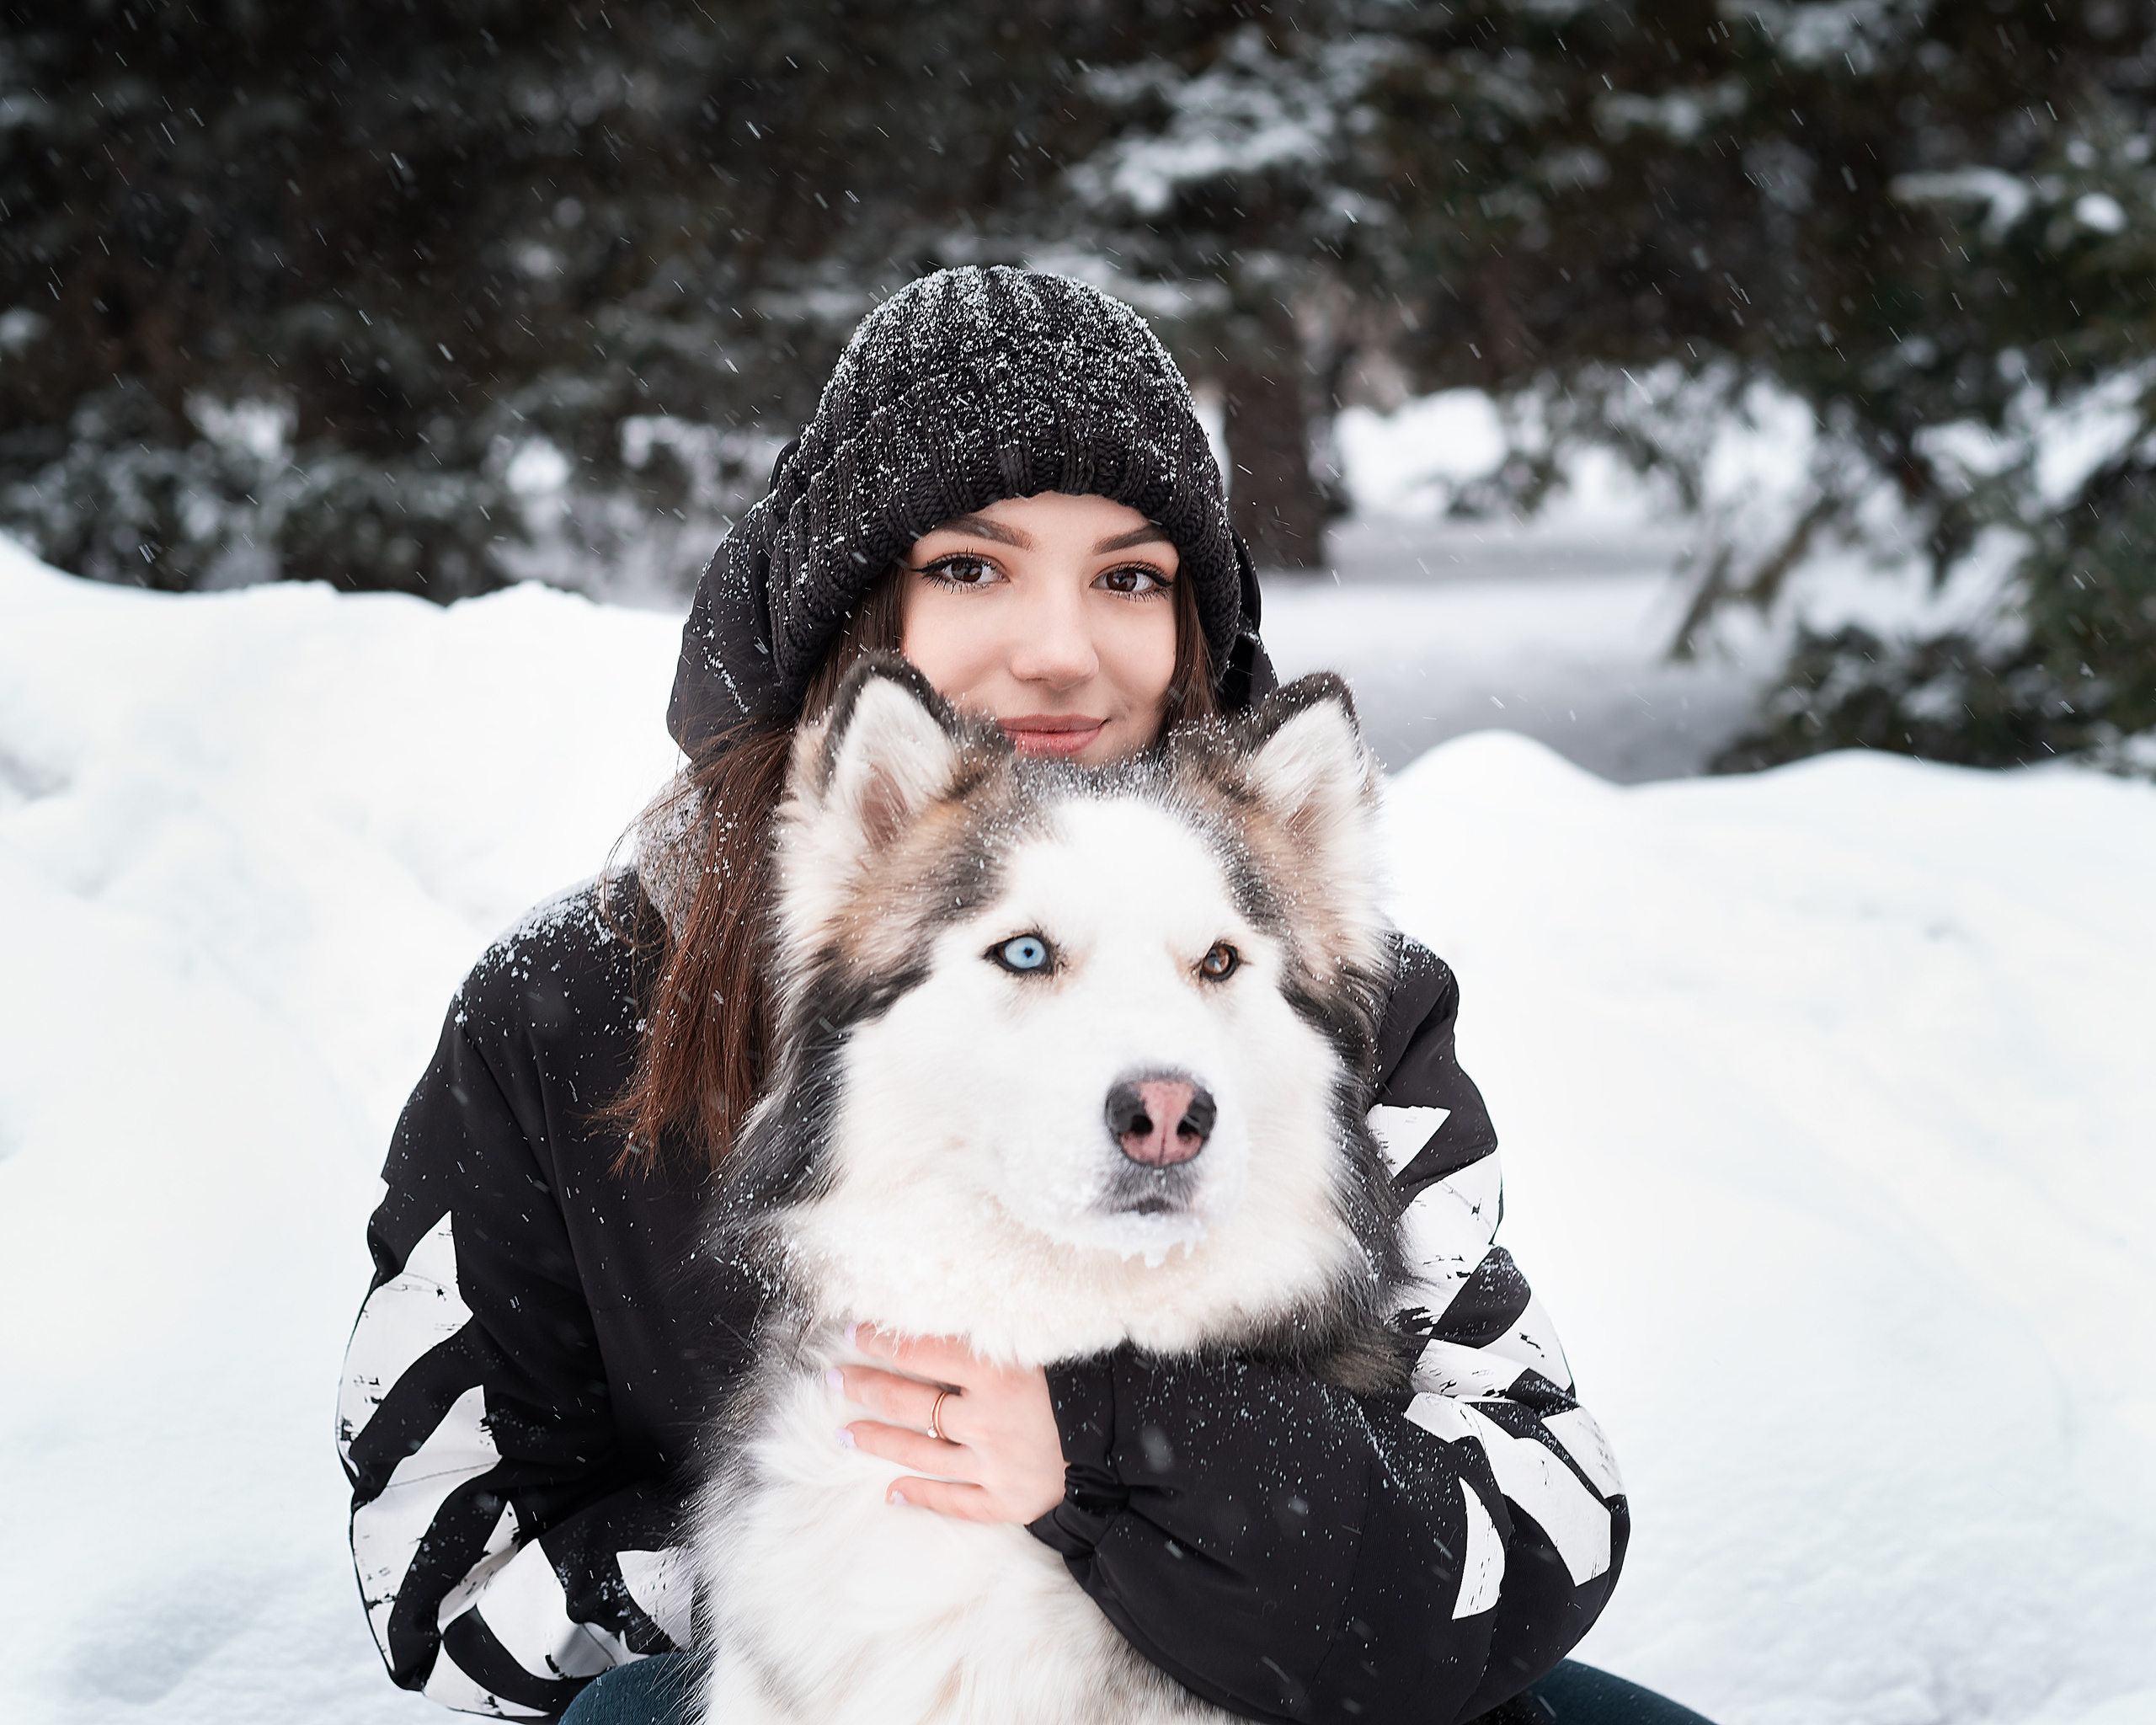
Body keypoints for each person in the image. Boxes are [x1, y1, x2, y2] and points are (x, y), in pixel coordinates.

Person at [338, 266, 1705, 1725]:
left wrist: (1115, 1463)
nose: (1061, 652)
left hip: (1281, 1654)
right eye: (972, 569)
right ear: (849, 612)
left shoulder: (1305, 997)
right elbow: (445, 1574)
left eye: (1130, 578)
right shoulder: (565, 1008)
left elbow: (1540, 1520)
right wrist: (846, 1528)